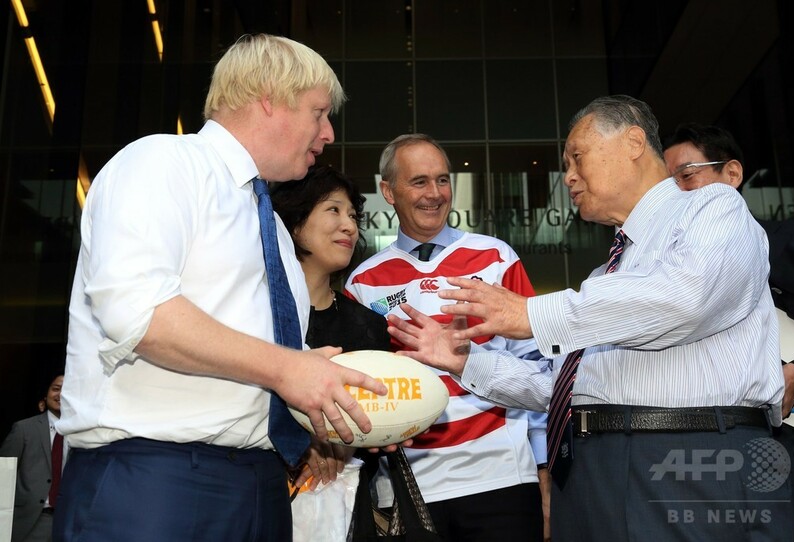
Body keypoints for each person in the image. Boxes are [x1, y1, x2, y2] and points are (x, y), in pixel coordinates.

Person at [386, 96, 791, 540]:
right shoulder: (606, 276)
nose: (569, 177)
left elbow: (684, 298)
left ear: (633, 142)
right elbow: (564, 387)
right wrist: (466, 362)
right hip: (595, 468)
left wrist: (530, 313)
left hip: (689, 457)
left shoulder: (712, 207)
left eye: (577, 157)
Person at [55, 34, 389, 542]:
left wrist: (339, 399)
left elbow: (263, 359)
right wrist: (289, 368)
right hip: (154, 479)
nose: (328, 132)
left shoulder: (274, 232)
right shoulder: (162, 163)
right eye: (319, 112)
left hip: (262, 484)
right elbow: (140, 312)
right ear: (270, 98)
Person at [344, 133, 548, 541]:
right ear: (389, 191)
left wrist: (543, 468)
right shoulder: (362, 283)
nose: (434, 194)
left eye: (442, 180)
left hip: (503, 477)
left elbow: (539, 367)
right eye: (419, 181)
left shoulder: (497, 257)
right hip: (409, 488)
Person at [663, 122, 794, 541]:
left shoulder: (792, 245)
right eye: (666, 185)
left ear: (731, 174)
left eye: (686, 176)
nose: (676, 194)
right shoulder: (659, 270)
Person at [271, 164, 391, 487]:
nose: (349, 226)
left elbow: (379, 422)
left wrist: (347, 443)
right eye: (334, 210)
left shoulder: (369, 326)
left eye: (352, 216)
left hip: (344, 500)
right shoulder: (257, 315)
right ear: (295, 223)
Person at [0, 374, 65, 542]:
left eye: (67, 390)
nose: (61, 394)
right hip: (30, 520)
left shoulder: (83, 435)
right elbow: (3, 476)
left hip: (67, 520)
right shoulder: (24, 429)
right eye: (56, 389)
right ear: (45, 394)